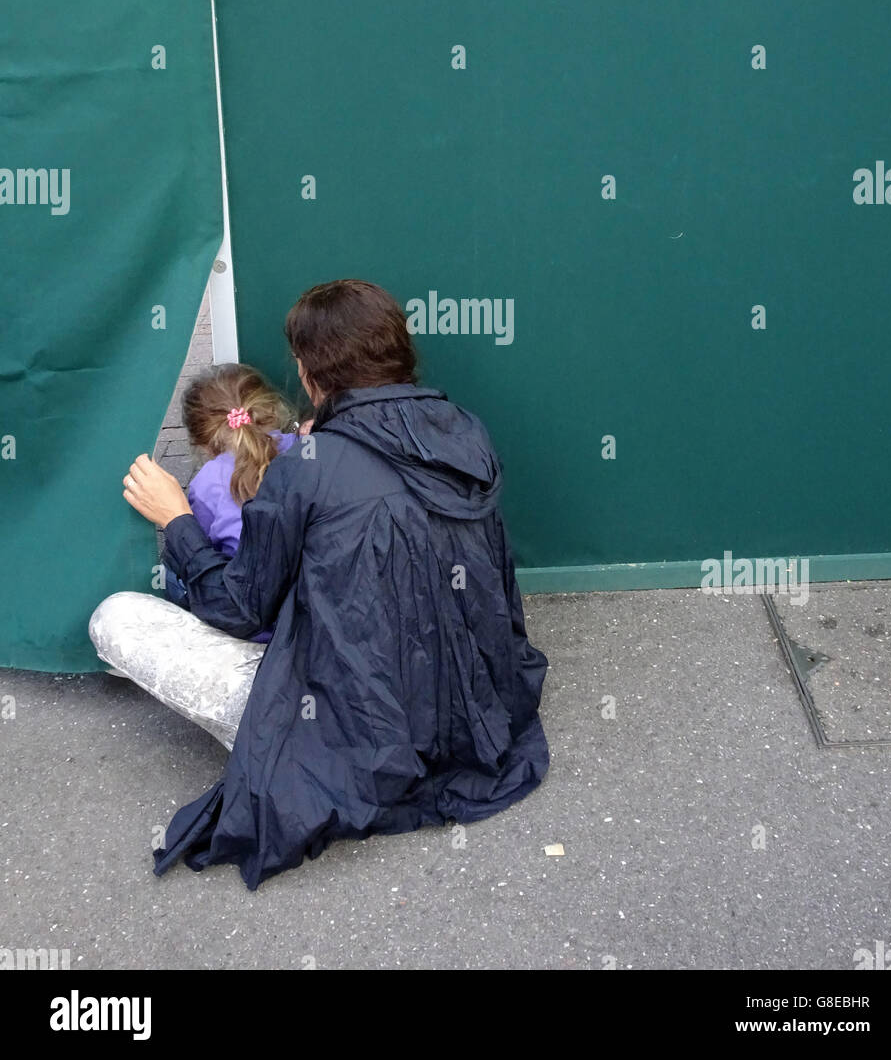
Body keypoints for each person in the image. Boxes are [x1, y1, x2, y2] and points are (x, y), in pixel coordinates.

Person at [89, 279, 550, 891]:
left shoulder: (306, 469)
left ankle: (292, 747)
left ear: (308, 375)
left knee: (116, 616)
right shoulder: (466, 430)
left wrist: (177, 519)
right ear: (400, 352)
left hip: (349, 736)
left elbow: (236, 605)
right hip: (477, 708)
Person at [163, 363, 300, 643]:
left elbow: (201, 552)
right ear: (273, 410)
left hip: (247, 619)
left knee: (170, 567)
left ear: (200, 442)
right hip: (299, 615)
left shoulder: (206, 482)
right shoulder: (302, 446)